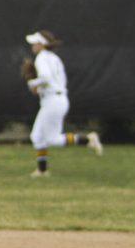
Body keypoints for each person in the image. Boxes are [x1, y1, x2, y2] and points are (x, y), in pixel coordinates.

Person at [25, 30, 102, 177]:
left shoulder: (41, 58)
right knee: (37, 136)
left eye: (35, 43)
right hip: (57, 99)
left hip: (53, 101)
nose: (33, 46)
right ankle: (42, 170)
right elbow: (57, 81)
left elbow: (46, 77)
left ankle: (87, 139)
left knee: (52, 139)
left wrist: (32, 83)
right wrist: (40, 89)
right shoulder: (54, 58)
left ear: (42, 44)